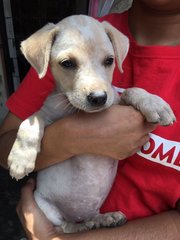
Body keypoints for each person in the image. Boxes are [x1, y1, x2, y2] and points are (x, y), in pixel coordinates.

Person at [1, 0, 180, 239]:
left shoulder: (106, 37)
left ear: (116, 53)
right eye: (69, 64)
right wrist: (73, 136)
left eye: (107, 62)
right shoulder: (70, 36)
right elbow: (6, 150)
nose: (97, 91)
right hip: (51, 214)